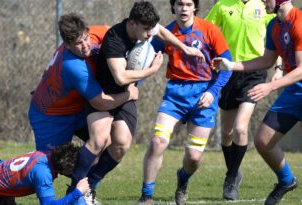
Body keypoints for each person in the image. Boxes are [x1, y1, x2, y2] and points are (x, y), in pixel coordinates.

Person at [68, 1, 206, 204]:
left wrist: (184, 47)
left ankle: (92, 184)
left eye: (151, 29)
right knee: (99, 139)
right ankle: (74, 191)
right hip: (105, 94)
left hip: (127, 95)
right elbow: (121, 78)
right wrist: (152, 70)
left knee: (121, 144)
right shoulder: (115, 39)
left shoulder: (146, 27)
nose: (150, 34)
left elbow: (161, 32)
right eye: (146, 30)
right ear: (132, 24)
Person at [135, 0, 233, 204]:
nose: (184, 8)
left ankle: (183, 179)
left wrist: (213, 92)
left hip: (204, 96)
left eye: (188, 4)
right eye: (179, 4)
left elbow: (227, 65)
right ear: (173, 7)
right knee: (157, 142)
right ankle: (146, 196)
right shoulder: (166, 33)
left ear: (195, 7)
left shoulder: (210, 30)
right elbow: (145, 60)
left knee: (194, 158)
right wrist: (133, 83)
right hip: (175, 95)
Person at [212, 0, 302, 204]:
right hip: (294, 90)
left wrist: (271, 85)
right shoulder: (274, 25)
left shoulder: (300, 22)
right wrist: (231, 65)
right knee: (263, 141)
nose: (262, 0)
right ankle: (286, 181)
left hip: (298, 83)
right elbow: (266, 61)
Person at [29, 13, 139, 153]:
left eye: (86, 38)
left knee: (105, 141)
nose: (86, 46)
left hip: (78, 107)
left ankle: (86, 175)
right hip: (51, 115)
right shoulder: (73, 66)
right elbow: (101, 102)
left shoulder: (96, 33)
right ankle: (2, 171)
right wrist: (129, 94)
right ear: (67, 46)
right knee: (49, 166)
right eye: (78, 44)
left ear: (88, 31)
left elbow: (118, 34)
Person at [205, 0, 276, 200]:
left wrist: (278, 67)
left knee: (240, 128)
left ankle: (231, 176)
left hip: (254, 71)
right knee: (226, 133)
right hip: (227, 71)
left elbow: (276, 40)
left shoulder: (264, 7)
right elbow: (206, 32)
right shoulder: (222, 5)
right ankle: (234, 172)